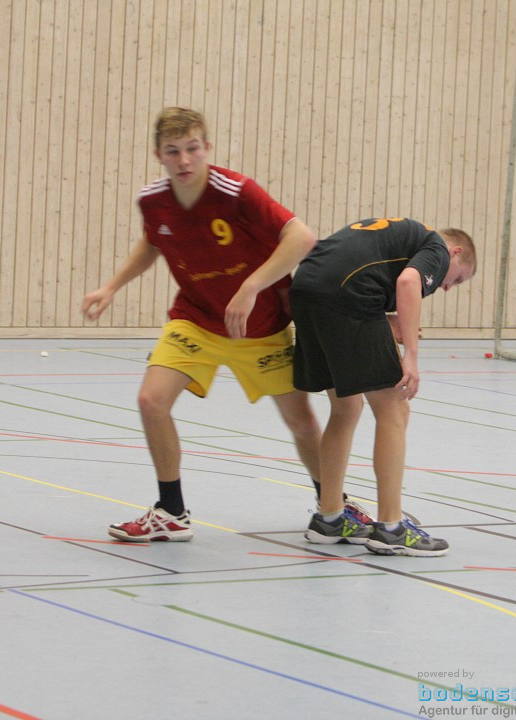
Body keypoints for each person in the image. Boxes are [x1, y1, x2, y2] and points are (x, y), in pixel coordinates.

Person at [82, 106, 336, 542]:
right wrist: (111, 286)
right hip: (195, 321)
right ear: (158, 154)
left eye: (192, 149)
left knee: (302, 422)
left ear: (207, 148)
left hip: (260, 327)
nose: (184, 160)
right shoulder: (153, 200)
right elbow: (153, 242)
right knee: (151, 401)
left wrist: (252, 286)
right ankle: (171, 513)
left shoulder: (235, 191)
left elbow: (302, 237)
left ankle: (334, 506)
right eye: (173, 151)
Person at [289, 217, 477, 556]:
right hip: (346, 292)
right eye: (457, 279)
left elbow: (367, 274)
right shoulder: (435, 246)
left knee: (346, 407)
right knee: (394, 407)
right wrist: (412, 358)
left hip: (306, 288)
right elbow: (408, 283)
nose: (447, 288)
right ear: (455, 251)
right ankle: (391, 527)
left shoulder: (396, 239)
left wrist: (388, 320)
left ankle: (329, 517)